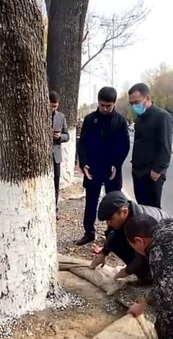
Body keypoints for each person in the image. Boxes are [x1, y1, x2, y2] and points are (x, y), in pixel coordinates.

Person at [75, 87, 130, 246]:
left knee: (114, 203)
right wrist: (83, 163)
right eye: (102, 105)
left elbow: (124, 146)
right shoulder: (90, 119)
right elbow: (83, 143)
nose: (105, 109)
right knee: (91, 201)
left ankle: (113, 235)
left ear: (114, 104)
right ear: (98, 103)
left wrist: (116, 163)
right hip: (93, 167)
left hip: (112, 168)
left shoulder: (120, 121)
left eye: (109, 106)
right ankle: (89, 232)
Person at [89, 190, 171, 282]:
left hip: (167, 245)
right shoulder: (127, 215)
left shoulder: (141, 223)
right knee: (115, 242)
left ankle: (149, 275)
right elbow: (113, 235)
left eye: (110, 219)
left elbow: (142, 253)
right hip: (149, 242)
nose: (108, 223)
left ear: (124, 211)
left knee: (147, 270)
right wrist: (103, 254)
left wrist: (126, 271)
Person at [128, 83, 173, 208]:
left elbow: (165, 146)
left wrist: (158, 169)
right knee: (142, 209)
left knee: (153, 210)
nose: (134, 106)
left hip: (153, 173)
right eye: (131, 103)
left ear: (147, 98)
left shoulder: (162, 117)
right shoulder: (139, 120)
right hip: (138, 171)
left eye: (136, 102)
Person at [49, 90, 70, 212]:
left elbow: (67, 135)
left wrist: (60, 137)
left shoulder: (61, 117)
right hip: (44, 156)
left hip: (56, 156)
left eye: (55, 106)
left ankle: (54, 207)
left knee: (55, 183)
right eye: (51, 106)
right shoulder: (39, 115)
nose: (52, 109)